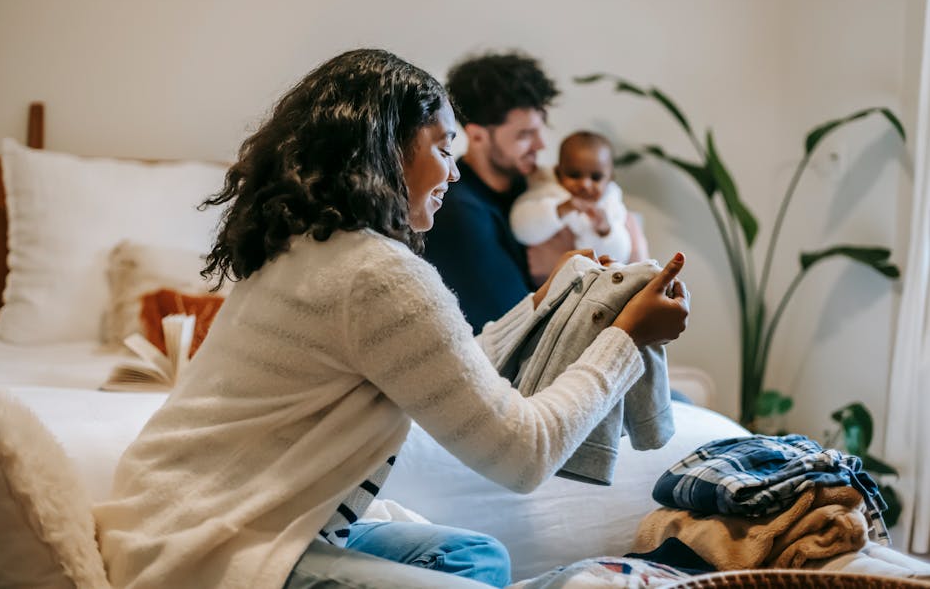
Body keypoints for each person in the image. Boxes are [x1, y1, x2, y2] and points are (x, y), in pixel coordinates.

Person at [94, 49, 691, 589]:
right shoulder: (377, 276)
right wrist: (625, 340)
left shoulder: (307, 246)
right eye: (442, 149)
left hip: (191, 515)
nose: (453, 174)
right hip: (209, 547)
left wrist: (540, 304)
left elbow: (446, 374)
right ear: (385, 148)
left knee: (479, 560)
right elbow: (523, 453)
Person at [423, 50, 563, 334]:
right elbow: (518, 331)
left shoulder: (535, 193)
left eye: (540, 129)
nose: (541, 145)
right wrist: (562, 271)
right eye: (525, 135)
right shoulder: (458, 214)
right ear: (476, 136)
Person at [510, 131, 649, 283]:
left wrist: (605, 231)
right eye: (574, 175)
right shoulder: (546, 193)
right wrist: (559, 211)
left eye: (596, 177)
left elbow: (620, 257)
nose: (585, 184)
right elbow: (521, 229)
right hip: (545, 287)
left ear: (609, 178)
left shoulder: (611, 206)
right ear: (558, 172)